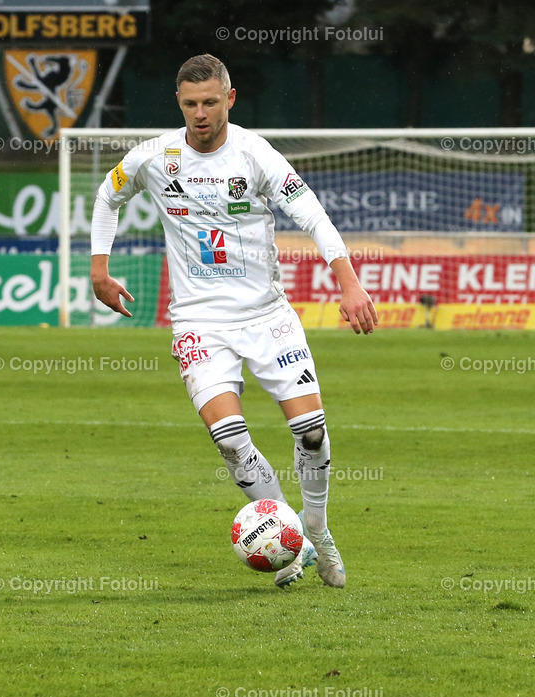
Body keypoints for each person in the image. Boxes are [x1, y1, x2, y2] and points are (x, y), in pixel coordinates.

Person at [89, 55, 376, 589]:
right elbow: (109, 195)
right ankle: (295, 540)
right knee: (228, 439)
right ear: (180, 104)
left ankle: (316, 527)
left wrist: (349, 281)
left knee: (311, 433)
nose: (201, 113)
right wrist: (99, 270)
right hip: (198, 322)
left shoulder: (255, 154)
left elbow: (312, 213)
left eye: (210, 102)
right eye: (190, 104)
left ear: (230, 99)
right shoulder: (155, 157)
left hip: (268, 316)